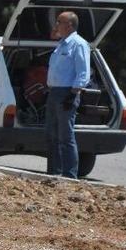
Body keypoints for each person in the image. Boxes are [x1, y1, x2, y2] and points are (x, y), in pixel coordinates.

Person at [45, 11, 90, 179]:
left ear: (69, 25)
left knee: (66, 136)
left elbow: (83, 73)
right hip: (54, 92)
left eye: (59, 22)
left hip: (67, 93)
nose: (56, 25)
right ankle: (53, 173)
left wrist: (73, 94)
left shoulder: (78, 44)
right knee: (51, 135)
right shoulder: (61, 44)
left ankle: (70, 175)